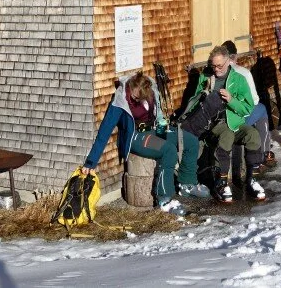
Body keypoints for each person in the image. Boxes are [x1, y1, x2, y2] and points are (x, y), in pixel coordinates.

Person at [82, 72, 209, 214]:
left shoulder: (151, 89)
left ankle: (187, 184)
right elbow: (104, 131)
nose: (137, 99)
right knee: (168, 150)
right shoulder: (120, 100)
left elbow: (157, 112)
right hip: (136, 136)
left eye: (140, 97)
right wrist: (90, 162)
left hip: (154, 129)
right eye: (135, 97)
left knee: (191, 141)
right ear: (131, 87)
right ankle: (164, 198)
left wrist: (162, 124)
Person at [180, 46, 266, 203]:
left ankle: (251, 180)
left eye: (219, 65)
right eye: (213, 65)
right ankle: (221, 182)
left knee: (253, 135)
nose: (216, 69)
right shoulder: (206, 77)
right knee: (226, 135)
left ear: (228, 62)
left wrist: (231, 100)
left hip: (235, 122)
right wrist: (204, 93)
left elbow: (247, 108)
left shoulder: (239, 79)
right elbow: (194, 103)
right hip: (214, 124)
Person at [222, 40, 277, 172]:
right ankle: (264, 153)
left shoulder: (215, 72)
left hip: (219, 117)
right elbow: (254, 100)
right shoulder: (242, 72)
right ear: (235, 56)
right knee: (262, 109)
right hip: (235, 118)